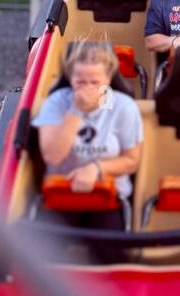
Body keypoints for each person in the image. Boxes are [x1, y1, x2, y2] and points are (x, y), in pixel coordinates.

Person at [32, 42, 143, 231]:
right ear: (71, 78)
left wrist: (96, 168)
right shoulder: (56, 103)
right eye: (80, 83)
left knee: (109, 250)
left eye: (95, 83)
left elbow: (131, 161)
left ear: (108, 78)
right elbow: (52, 156)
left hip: (108, 197)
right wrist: (76, 110)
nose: (87, 89)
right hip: (62, 193)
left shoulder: (124, 107)